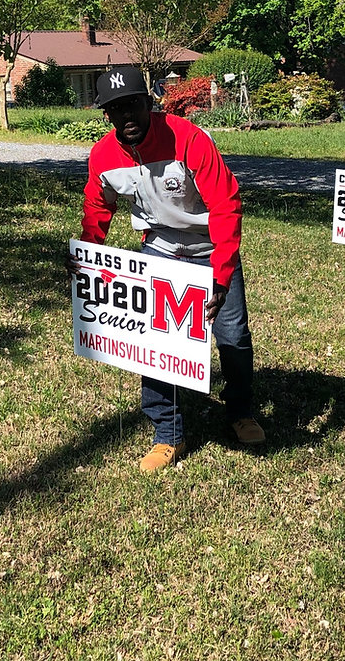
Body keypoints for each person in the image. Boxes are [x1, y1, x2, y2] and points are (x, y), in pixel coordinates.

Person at [69, 65, 264, 472]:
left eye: (133, 105)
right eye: (116, 109)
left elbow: (226, 204)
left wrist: (221, 275)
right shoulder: (103, 156)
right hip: (159, 249)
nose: (126, 116)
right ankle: (167, 433)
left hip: (210, 248)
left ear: (149, 103)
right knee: (156, 345)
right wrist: (89, 254)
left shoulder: (189, 139)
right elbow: (98, 206)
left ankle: (241, 411)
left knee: (232, 335)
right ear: (106, 114)